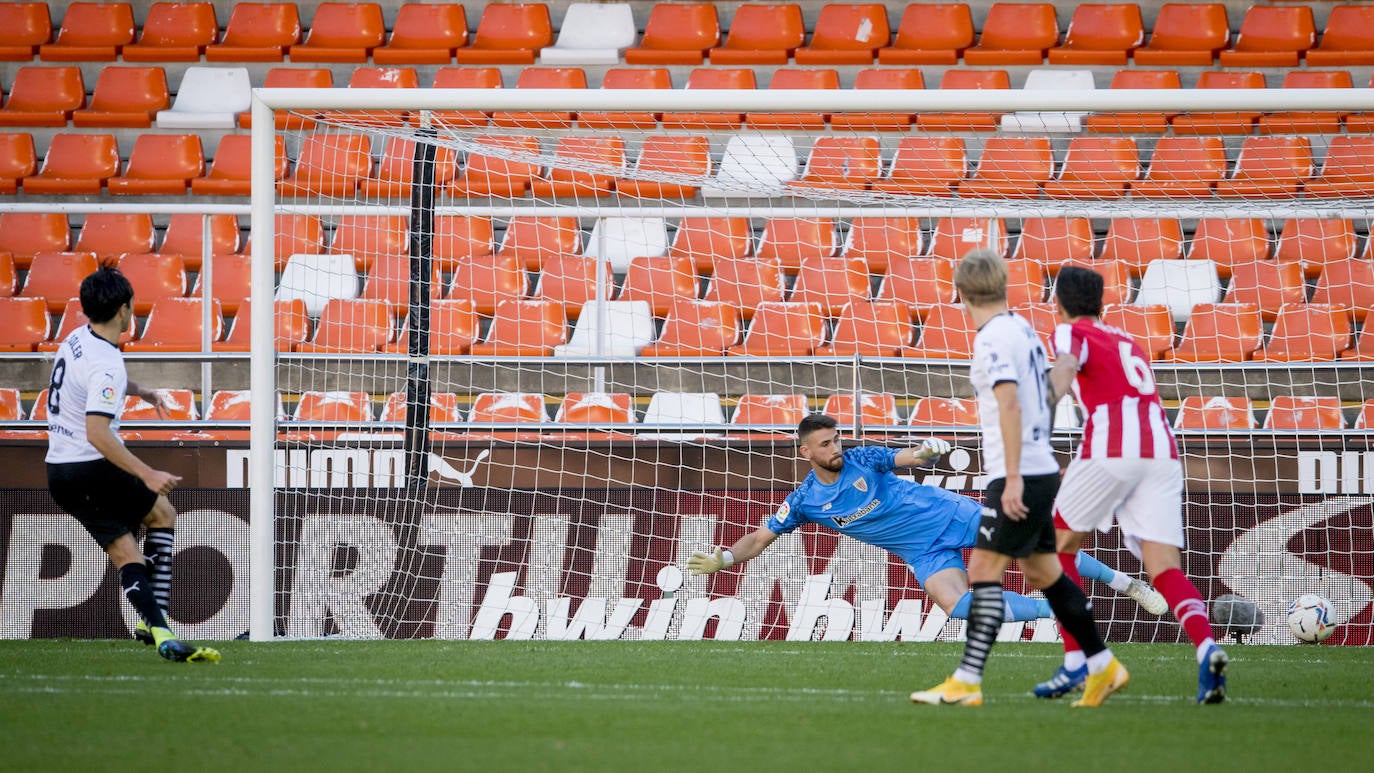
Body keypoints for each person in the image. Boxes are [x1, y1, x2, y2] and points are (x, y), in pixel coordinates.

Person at [686, 413, 1164, 632]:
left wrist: (927, 450)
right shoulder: (805, 501)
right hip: (921, 551)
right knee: (958, 607)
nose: (836, 448)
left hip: (950, 515)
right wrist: (723, 558)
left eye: (837, 440)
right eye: (826, 444)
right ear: (806, 451)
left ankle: (1130, 585)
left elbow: (907, 456)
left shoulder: (863, 459)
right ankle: (1058, 611)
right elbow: (760, 538)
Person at [912, 249, 1124, 708]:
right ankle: (1103, 662)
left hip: (1019, 472)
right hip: (1036, 466)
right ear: (1002, 285)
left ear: (960, 292)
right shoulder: (1022, 328)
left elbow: (1010, 403)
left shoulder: (992, 337)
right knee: (1043, 571)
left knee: (982, 571)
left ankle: (967, 680)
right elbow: (1044, 393)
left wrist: (1011, 478)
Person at [1041, 265, 1227, 704]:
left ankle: (1078, 661)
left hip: (1113, 447)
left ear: (1059, 303)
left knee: (1056, 548)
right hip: (1161, 451)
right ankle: (1207, 647)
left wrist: (1041, 404)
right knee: (1164, 566)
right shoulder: (1127, 340)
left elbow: (1065, 366)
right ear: (1101, 302)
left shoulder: (1070, 331)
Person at [45, 266, 220, 663]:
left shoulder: (76, 338)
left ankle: (156, 628)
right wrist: (147, 473)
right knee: (153, 524)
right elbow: (97, 433)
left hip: (60, 469)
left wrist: (139, 390)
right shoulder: (107, 362)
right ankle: (157, 626)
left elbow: (92, 380)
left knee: (136, 541)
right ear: (124, 309)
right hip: (91, 466)